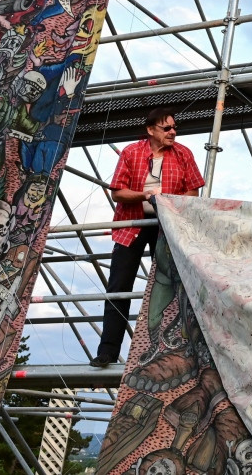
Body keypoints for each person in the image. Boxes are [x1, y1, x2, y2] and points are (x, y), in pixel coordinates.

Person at [91, 107, 204, 367]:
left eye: (175, 128)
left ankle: (166, 350)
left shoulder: (184, 153)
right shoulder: (131, 152)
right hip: (132, 224)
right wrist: (147, 195)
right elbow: (117, 192)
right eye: (167, 128)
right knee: (119, 287)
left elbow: (193, 193)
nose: (173, 132)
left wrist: (165, 201)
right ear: (151, 130)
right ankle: (107, 351)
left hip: (166, 226)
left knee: (168, 287)